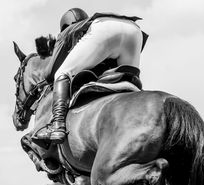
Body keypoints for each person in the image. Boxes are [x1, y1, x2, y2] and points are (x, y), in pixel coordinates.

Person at [36, 8, 148, 144]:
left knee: (62, 73)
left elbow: (51, 73)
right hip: (134, 30)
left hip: (105, 28)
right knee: (128, 80)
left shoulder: (67, 32)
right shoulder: (86, 27)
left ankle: (57, 125)